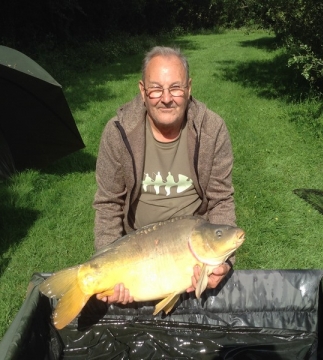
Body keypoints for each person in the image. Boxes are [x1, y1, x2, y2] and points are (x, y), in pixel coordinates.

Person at [93, 46, 236, 305]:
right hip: (139, 252)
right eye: (156, 88)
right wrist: (108, 261)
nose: (166, 98)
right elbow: (108, 204)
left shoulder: (212, 129)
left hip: (193, 249)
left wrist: (223, 263)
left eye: (176, 88)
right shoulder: (118, 132)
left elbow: (221, 199)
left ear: (189, 88)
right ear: (142, 90)